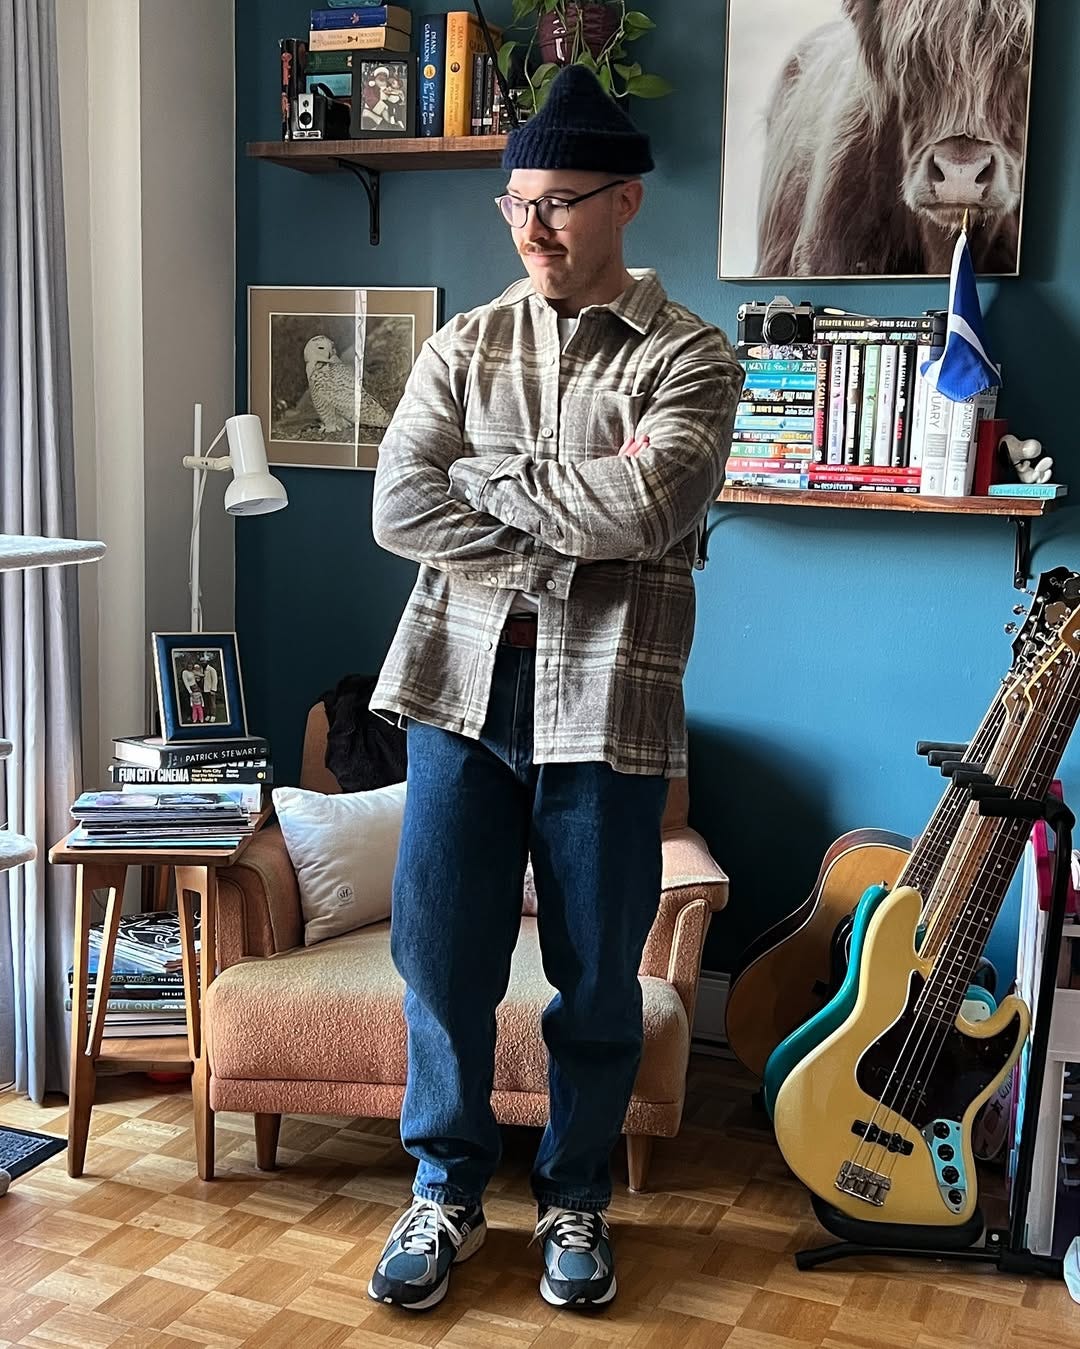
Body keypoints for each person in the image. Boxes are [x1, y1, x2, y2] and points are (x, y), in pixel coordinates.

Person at [367, 65, 742, 1314]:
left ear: (627, 201)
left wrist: (492, 482)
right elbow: (397, 506)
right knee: (440, 958)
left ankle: (575, 1194)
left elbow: (652, 501)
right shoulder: (460, 344)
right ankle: (447, 1187)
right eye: (515, 202)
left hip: (612, 703)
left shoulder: (694, 356)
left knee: (595, 977)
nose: (532, 227)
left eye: (560, 202)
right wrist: (565, 521)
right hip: (456, 697)